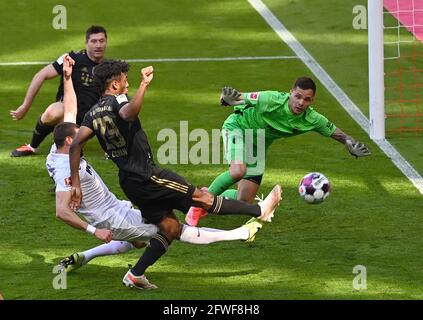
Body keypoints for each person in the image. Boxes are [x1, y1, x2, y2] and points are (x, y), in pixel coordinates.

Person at [51, 56, 267, 288]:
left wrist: (75, 182)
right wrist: (144, 85)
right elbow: (128, 114)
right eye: (125, 80)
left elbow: (75, 145)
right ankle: (257, 212)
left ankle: (133, 274)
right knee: (196, 204)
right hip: (147, 175)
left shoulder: (92, 114)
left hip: (128, 181)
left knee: (168, 228)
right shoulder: (117, 102)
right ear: (114, 85)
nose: (128, 83)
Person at [185, 77, 371, 226]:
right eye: (297, 96)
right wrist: (226, 99)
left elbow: (335, 132)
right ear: (291, 93)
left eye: (306, 99)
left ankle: (207, 193)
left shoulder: (312, 119)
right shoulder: (271, 99)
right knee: (237, 171)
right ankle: (198, 206)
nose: (301, 102)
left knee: (244, 201)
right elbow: (236, 97)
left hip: (259, 143)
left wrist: (349, 142)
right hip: (239, 128)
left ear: (311, 101)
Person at [10, 25, 108, 157]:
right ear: (86, 43)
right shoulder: (71, 58)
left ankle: (92, 144)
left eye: (101, 41)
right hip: (66, 112)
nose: (98, 45)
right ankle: (31, 146)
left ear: (106, 42)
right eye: (94, 41)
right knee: (53, 111)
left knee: (72, 150)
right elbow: (41, 75)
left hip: (88, 120)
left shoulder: (108, 68)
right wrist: (25, 106)